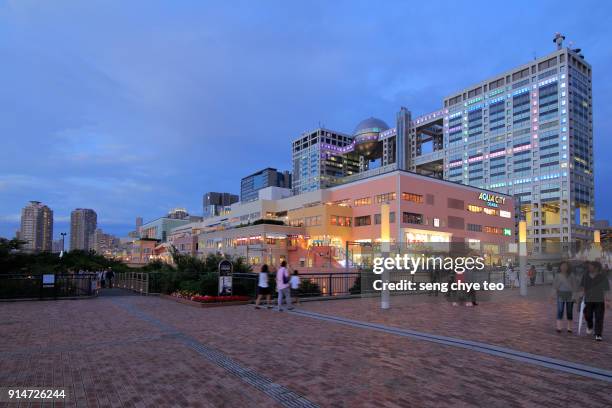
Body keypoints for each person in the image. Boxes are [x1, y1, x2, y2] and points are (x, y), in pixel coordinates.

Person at [580, 261, 610, 341]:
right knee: (587, 315)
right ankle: (590, 326)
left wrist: (607, 300)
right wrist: (581, 296)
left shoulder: (602, 276)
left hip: (599, 300)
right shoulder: (585, 276)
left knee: (599, 317)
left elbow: (606, 289)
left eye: (591, 266)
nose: (589, 267)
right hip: (588, 299)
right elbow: (582, 286)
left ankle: (598, 334)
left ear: (596, 268)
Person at [552, 261, 577, 333]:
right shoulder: (557, 275)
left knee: (569, 311)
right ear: (560, 267)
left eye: (565, 266)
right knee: (560, 310)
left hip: (569, 295)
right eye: (562, 266)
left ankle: (569, 327)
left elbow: (575, 286)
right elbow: (555, 286)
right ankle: (559, 327)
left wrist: (575, 296)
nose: (563, 267)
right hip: (560, 295)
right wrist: (552, 295)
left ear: (568, 267)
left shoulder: (571, 275)